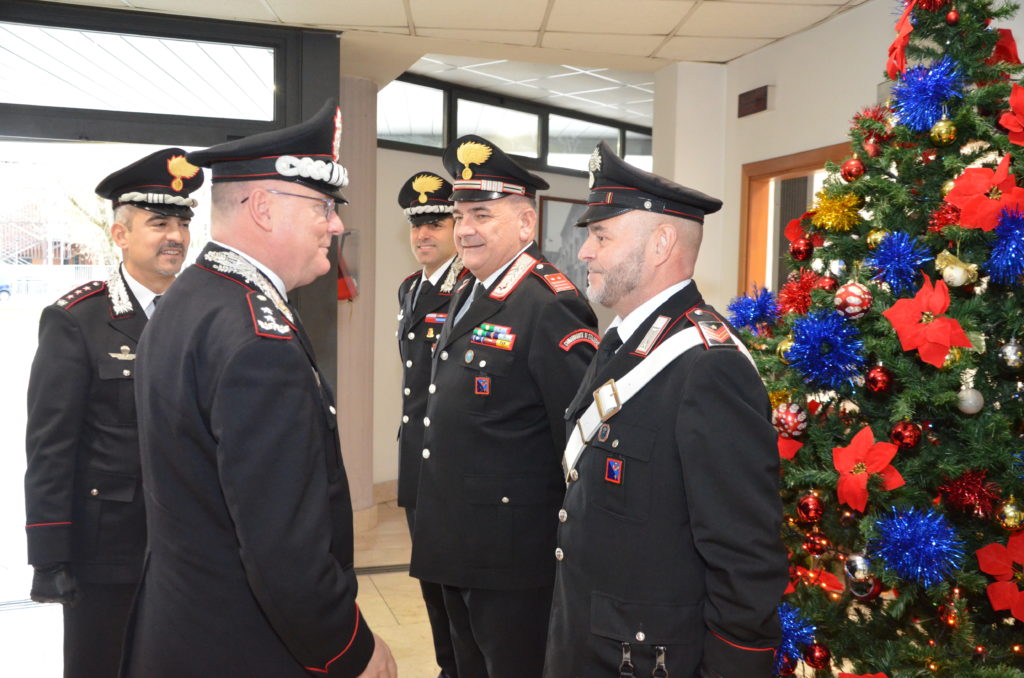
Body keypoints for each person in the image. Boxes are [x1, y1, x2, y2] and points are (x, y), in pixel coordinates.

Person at [121, 101, 396, 678]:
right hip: (245, 644)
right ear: (265, 209)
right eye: (323, 206)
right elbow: (283, 551)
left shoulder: (190, 299)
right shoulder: (256, 340)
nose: (337, 224)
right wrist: (348, 652)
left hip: (187, 629)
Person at [543, 142, 788, 678]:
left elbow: (744, 553)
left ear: (660, 243)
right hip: (591, 639)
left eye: (601, 235)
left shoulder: (708, 366)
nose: (584, 252)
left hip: (648, 659)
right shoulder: (624, 342)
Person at [410, 134, 599, 677]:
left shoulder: (549, 304)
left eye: (483, 215)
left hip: (512, 557)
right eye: (460, 214)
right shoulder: (469, 289)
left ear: (525, 223)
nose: (465, 228)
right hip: (454, 541)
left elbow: (579, 438)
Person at [24, 147, 202, 678]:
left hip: (193, 547)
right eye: (158, 222)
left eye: (181, 223)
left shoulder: (206, 313)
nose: (175, 236)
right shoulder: (77, 320)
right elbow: (51, 447)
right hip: (110, 550)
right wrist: (49, 555)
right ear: (120, 235)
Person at [395, 171, 466, 678]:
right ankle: (448, 666)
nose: (423, 234)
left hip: (452, 466)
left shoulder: (470, 290)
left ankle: (461, 667)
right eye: (417, 224)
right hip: (417, 458)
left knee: (457, 587)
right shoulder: (410, 289)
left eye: (435, 223)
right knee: (429, 580)